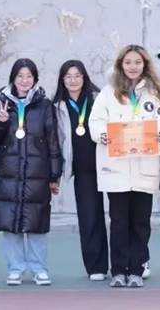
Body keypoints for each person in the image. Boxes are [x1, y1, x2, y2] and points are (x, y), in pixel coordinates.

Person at [88, 44, 160, 288]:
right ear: (120, 65)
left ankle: (136, 270)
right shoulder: (108, 92)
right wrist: (102, 135)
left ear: (145, 65)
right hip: (117, 169)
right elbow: (95, 122)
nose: (133, 67)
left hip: (145, 167)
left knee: (141, 223)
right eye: (128, 62)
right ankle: (118, 270)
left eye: (137, 62)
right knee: (119, 222)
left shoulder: (156, 93)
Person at [0, 58, 62, 286]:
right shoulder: (2, 103)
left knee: (37, 222)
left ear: (35, 79)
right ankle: (15, 269)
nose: (24, 80)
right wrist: (0, 122)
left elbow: (53, 141)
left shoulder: (45, 105)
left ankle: (39, 269)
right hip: (8, 172)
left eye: (29, 76)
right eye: (20, 76)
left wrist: (54, 175)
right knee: (11, 223)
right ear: (13, 78)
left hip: (37, 173)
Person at [53, 60, 108, 281]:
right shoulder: (57, 106)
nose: (73, 80)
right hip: (83, 170)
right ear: (62, 80)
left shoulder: (99, 99)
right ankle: (97, 266)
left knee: (122, 216)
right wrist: (56, 174)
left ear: (84, 77)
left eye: (77, 75)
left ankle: (133, 262)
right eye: (68, 76)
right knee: (89, 217)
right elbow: (56, 141)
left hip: (110, 166)